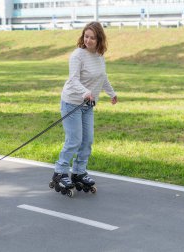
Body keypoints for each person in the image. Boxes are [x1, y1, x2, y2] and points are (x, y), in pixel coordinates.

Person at [51, 21, 118, 192]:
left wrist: (112, 93)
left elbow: (103, 77)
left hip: (88, 105)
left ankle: (79, 172)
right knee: (74, 140)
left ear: (99, 40)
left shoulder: (99, 56)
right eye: (86, 36)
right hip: (71, 103)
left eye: (92, 38)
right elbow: (73, 80)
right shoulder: (77, 55)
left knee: (87, 141)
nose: (88, 40)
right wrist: (85, 92)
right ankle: (60, 172)